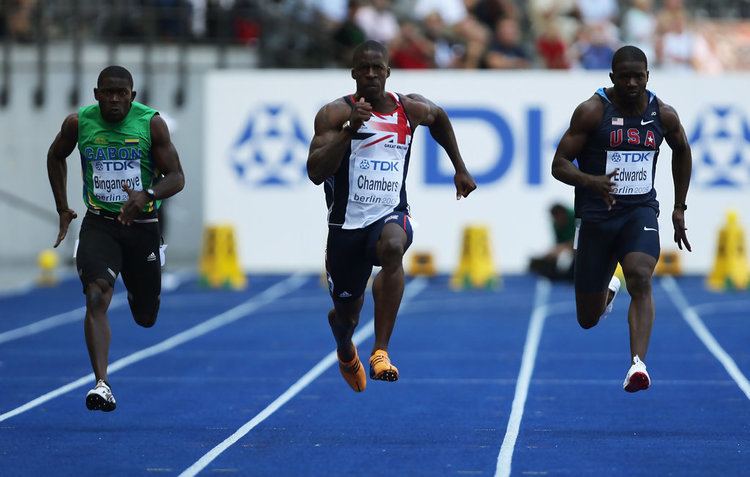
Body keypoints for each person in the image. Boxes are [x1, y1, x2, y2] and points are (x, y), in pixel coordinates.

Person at [307, 40, 476, 392]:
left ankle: (381, 350)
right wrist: (350, 131)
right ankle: (345, 349)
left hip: (390, 213)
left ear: (387, 71)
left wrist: (459, 168)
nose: (370, 74)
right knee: (346, 316)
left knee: (394, 247)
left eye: (377, 68)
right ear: (353, 73)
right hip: (346, 226)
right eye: (363, 68)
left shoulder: (409, 109)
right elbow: (315, 171)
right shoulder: (334, 115)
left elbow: (440, 118)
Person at [551, 45, 692, 393]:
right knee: (588, 318)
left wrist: (679, 207)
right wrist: (589, 181)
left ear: (648, 76)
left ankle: (637, 365)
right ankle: (608, 290)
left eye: (638, 76)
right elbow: (559, 165)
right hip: (597, 219)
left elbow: (683, 150)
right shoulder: (592, 111)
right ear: (612, 77)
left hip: (639, 212)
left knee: (641, 277)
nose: (632, 83)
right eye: (625, 76)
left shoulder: (663, 114)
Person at [47, 66, 185, 411]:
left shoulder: (150, 124)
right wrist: (63, 207)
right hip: (100, 223)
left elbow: (177, 177)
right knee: (96, 295)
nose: (113, 99)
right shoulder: (78, 123)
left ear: (132, 96)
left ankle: (147, 275)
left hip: (142, 226)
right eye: (107, 92)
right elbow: (55, 156)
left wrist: (146, 194)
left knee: (146, 316)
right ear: (96, 94)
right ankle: (101, 384)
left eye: (121, 93)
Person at [529, 203, 576, 282]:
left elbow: (581, 238)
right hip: (567, 250)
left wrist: (563, 247)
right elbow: (558, 242)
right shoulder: (556, 224)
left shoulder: (576, 218)